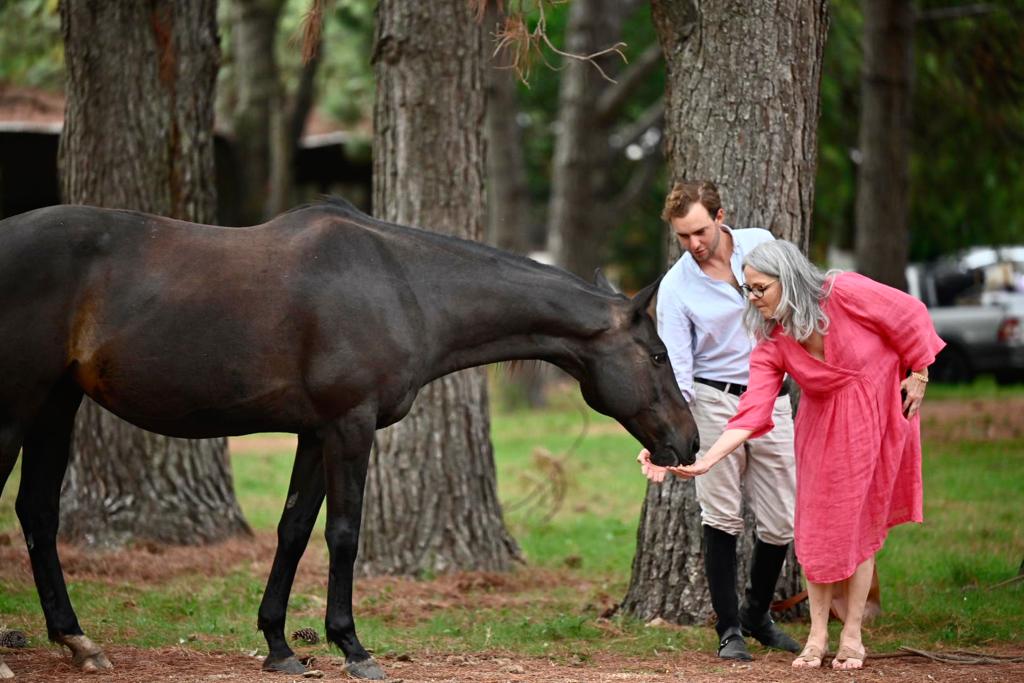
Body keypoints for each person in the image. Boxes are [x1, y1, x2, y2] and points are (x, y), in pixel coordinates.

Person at [645, 239, 944, 670]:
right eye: (747, 290)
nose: (753, 298)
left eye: (760, 288)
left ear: (787, 280)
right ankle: (818, 635)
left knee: (858, 526)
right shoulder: (773, 340)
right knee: (813, 528)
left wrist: (919, 372)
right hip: (820, 429)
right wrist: (709, 459)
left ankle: (853, 638)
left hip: (875, 415)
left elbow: (909, 315)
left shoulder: (840, 291)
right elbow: (752, 411)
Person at [640, 180, 801, 661]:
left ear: (720, 216)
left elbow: (796, 307)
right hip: (715, 401)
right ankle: (729, 629)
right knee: (721, 514)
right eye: (683, 236)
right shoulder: (676, 287)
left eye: (700, 231)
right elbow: (680, 373)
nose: (694, 244)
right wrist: (663, 441)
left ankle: (757, 614)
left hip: (772, 395)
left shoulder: (761, 244)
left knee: (781, 520)